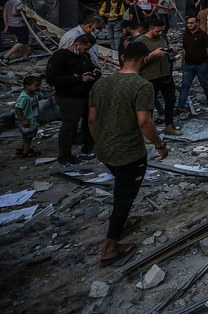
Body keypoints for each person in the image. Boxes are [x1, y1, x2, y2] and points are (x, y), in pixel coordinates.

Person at [88, 40, 166, 268]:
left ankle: (120, 223)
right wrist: (160, 145)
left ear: (122, 58)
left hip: (104, 149)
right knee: (124, 197)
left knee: (121, 190)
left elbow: (92, 119)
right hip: (129, 152)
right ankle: (110, 248)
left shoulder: (101, 84)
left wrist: (100, 142)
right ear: (144, 60)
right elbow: (144, 122)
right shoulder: (142, 86)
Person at [46, 33, 99, 164]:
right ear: (77, 45)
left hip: (87, 95)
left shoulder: (84, 56)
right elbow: (52, 79)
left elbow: (94, 68)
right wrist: (78, 78)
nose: (86, 51)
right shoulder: (60, 57)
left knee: (89, 122)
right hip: (69, 97)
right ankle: (64, 155)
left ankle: (88, 146)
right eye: (85, 48)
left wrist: (94, 74)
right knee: (69, 126)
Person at [136, 18, 181, 136]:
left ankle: (169, 125)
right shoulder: (140, 41)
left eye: (162, 30)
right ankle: (147, 131)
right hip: (149, 78)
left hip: (166, 75)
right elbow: (137, 62)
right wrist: (152, 54)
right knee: (149, 105)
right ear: (150, 29)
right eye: (157, 31)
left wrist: (172, 52)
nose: (160, 33)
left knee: (171, 100)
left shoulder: (163, 37)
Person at [177, 15, 208, 113]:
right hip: (188, 65)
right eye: (188, 23)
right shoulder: (186, 34)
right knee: (185, 85)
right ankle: (180, 107)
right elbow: (184, 49)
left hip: (201, 64)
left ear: (197, 23)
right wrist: (182, 62)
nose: (189, 25)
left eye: (192, 23)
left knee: (205, 83)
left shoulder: (203, 35)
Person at [14, 75, 43, 158]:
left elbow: (44, 97)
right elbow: (18, 109)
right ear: (27, 87)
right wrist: (23, 120)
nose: (39, 87)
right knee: (28, 136)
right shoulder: (24, 97)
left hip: (31, 119)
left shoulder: (35, 94)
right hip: (24, 120)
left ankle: (22, 149)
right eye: (36, 85)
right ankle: (25, 153)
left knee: (27, 135)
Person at [2, 0, 30, 64]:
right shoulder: (18, 2)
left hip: (11, 24)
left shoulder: (8, 2)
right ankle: (6, 56)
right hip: (19, 25)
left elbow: (5, 14)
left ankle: (25, 56)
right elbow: (14, 13)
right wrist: (26, 12)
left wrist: (6, 25)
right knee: (22, 41)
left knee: (23, 40)